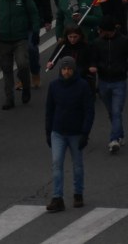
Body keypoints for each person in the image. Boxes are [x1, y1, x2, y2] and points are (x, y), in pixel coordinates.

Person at [45, 56, 95, 212]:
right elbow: (49, 110)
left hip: (76, 133)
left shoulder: (82, 86)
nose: (66, 72)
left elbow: (89, 110)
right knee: (56, 164)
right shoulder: (54, 86)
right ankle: (57, 197)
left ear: (74, 70)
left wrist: (85, 133)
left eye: (69, 69)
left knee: (77, 165)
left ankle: (78, 194)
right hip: (58, 132)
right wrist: (48, 131)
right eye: (64, 69)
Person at [0, 0, 40, 110]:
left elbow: (33, 12)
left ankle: (26, 86)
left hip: (20, 38)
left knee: (23, 64)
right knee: (6, 69)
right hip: (3, 40)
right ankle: (9, 99)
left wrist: (35, 31)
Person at [88, 16, 128, 153]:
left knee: (116, 111)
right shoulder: (97, 43)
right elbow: (93, 58)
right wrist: (93, 66)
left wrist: (124, 68)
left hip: (119, 81)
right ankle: (120, 134)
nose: (100, 32)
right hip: (104, 81)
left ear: (108, 30)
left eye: (102, 30)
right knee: (112, 112)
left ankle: (114, 140)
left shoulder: (123, 41)